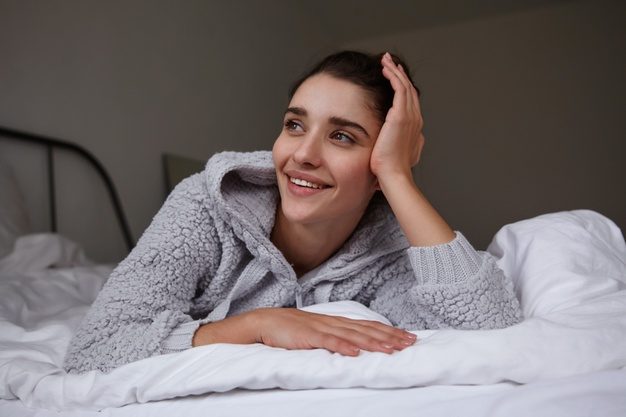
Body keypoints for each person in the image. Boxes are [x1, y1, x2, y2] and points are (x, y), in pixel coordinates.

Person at [64, 50, 522, 374]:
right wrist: (260, 324)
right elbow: (96, 348)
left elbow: (492, 333)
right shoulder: (205, 205)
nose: (303, 154)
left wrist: (398, 177)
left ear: (384, 157)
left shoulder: (388, 255)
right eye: (295, 125)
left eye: (343, 136)